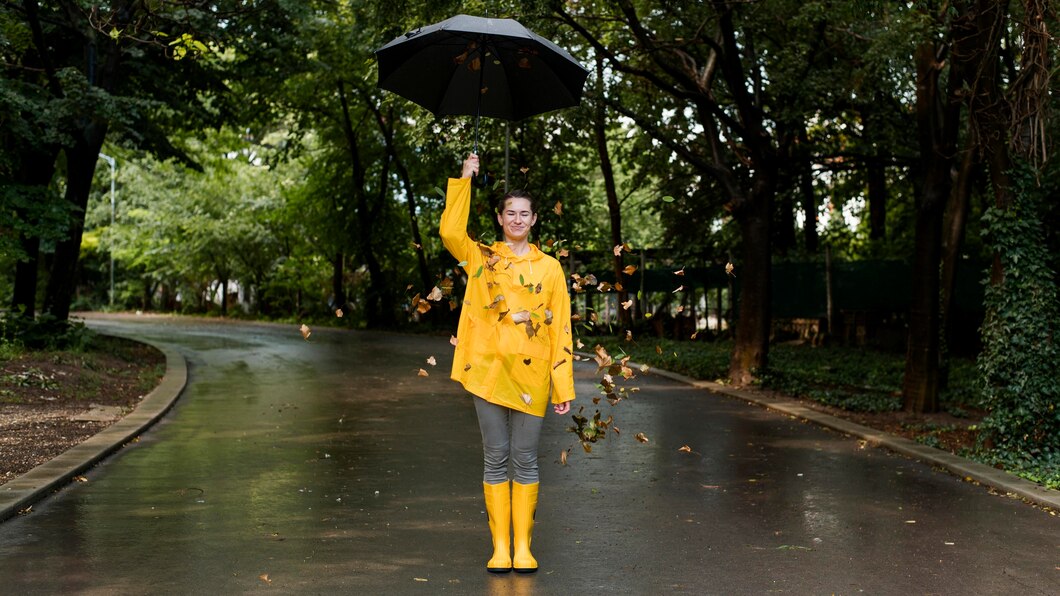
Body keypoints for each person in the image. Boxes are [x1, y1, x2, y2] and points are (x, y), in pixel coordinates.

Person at [440, 153, 576, 573]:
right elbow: (448, 231)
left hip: (533, 374)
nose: (517, 219)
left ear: (535, 220)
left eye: (524, 213)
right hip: (487, 371)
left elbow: (562, 329)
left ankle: (523, 547)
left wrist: (563, 385)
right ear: (499, 218)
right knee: (495, 456)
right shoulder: (481, 258)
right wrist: (465, 178)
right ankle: (500, 548)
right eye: (510, 213)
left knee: (525, 457)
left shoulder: (551, 269)